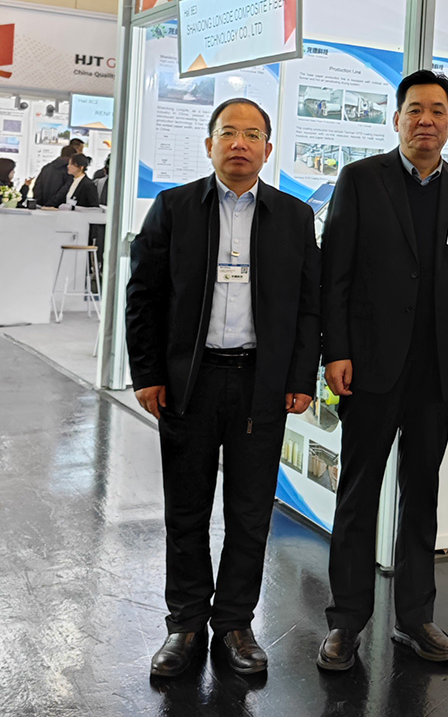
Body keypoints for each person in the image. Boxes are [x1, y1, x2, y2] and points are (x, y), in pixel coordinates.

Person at [125, 98, 320, 678]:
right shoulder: (175, 208)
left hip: (260, 383)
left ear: (268, 148)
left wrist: (298, 378)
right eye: (228, 133)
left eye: (252, 134)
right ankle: (185, 623)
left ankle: (234, 622)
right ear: (209, 144)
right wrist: (148, 373)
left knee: (250, 512)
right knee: (186, 510)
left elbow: (308, 307)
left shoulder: (293, 216)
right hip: (191, 381)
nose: (240, 143)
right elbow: (143, 296)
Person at [317, 69, 448, 672]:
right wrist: (335, 351)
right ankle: (345, 621)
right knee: (358, 493)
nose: (426, 121)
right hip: (369, 367)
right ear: (396, 119)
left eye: (437, 111)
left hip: (437, 374)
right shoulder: (361, 179)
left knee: (422, 494)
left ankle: (414, 616)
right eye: (415, 110)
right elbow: (335, 272)